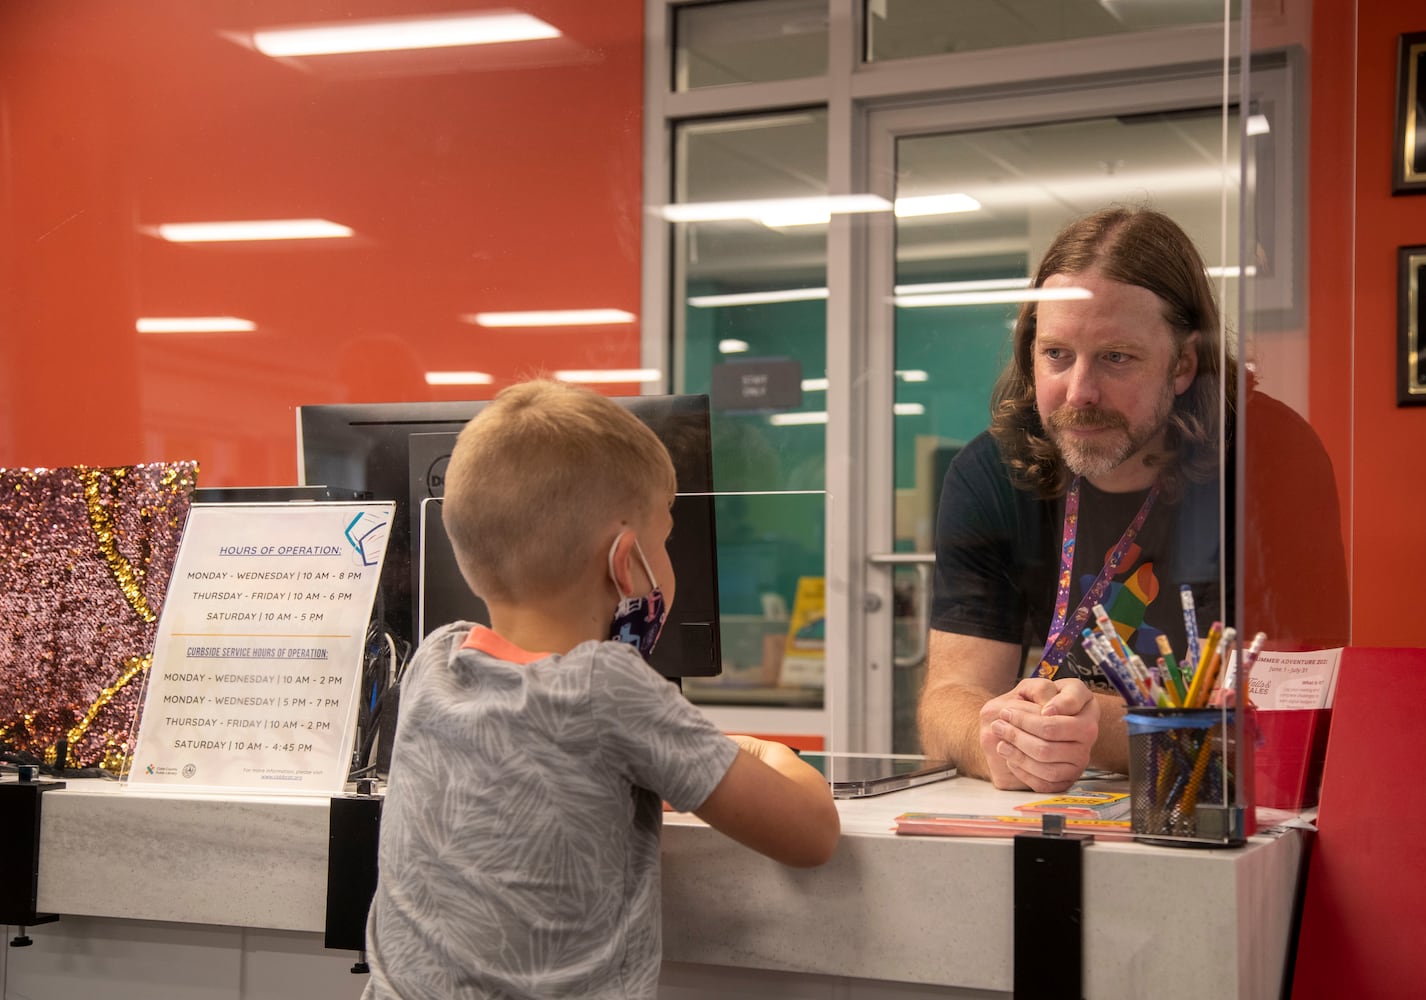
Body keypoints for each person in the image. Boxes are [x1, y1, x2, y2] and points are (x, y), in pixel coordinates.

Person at [362, 379, 840, 1000]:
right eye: (665, 539)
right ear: (626, 563)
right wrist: (771, 756)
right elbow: (810, 835)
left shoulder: (432, 662)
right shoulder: (608, 687)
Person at [917, 206, 1348, 794]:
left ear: (1183, 365)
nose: (1080, 392)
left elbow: (1288, 726)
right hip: (1057, 811)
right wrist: (1002, 738)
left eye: (1117, 357)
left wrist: (1098, 728)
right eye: (1056, 355)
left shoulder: (1268, 456)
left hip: (1226, 812)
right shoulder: (991, 470)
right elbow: (948, 701)